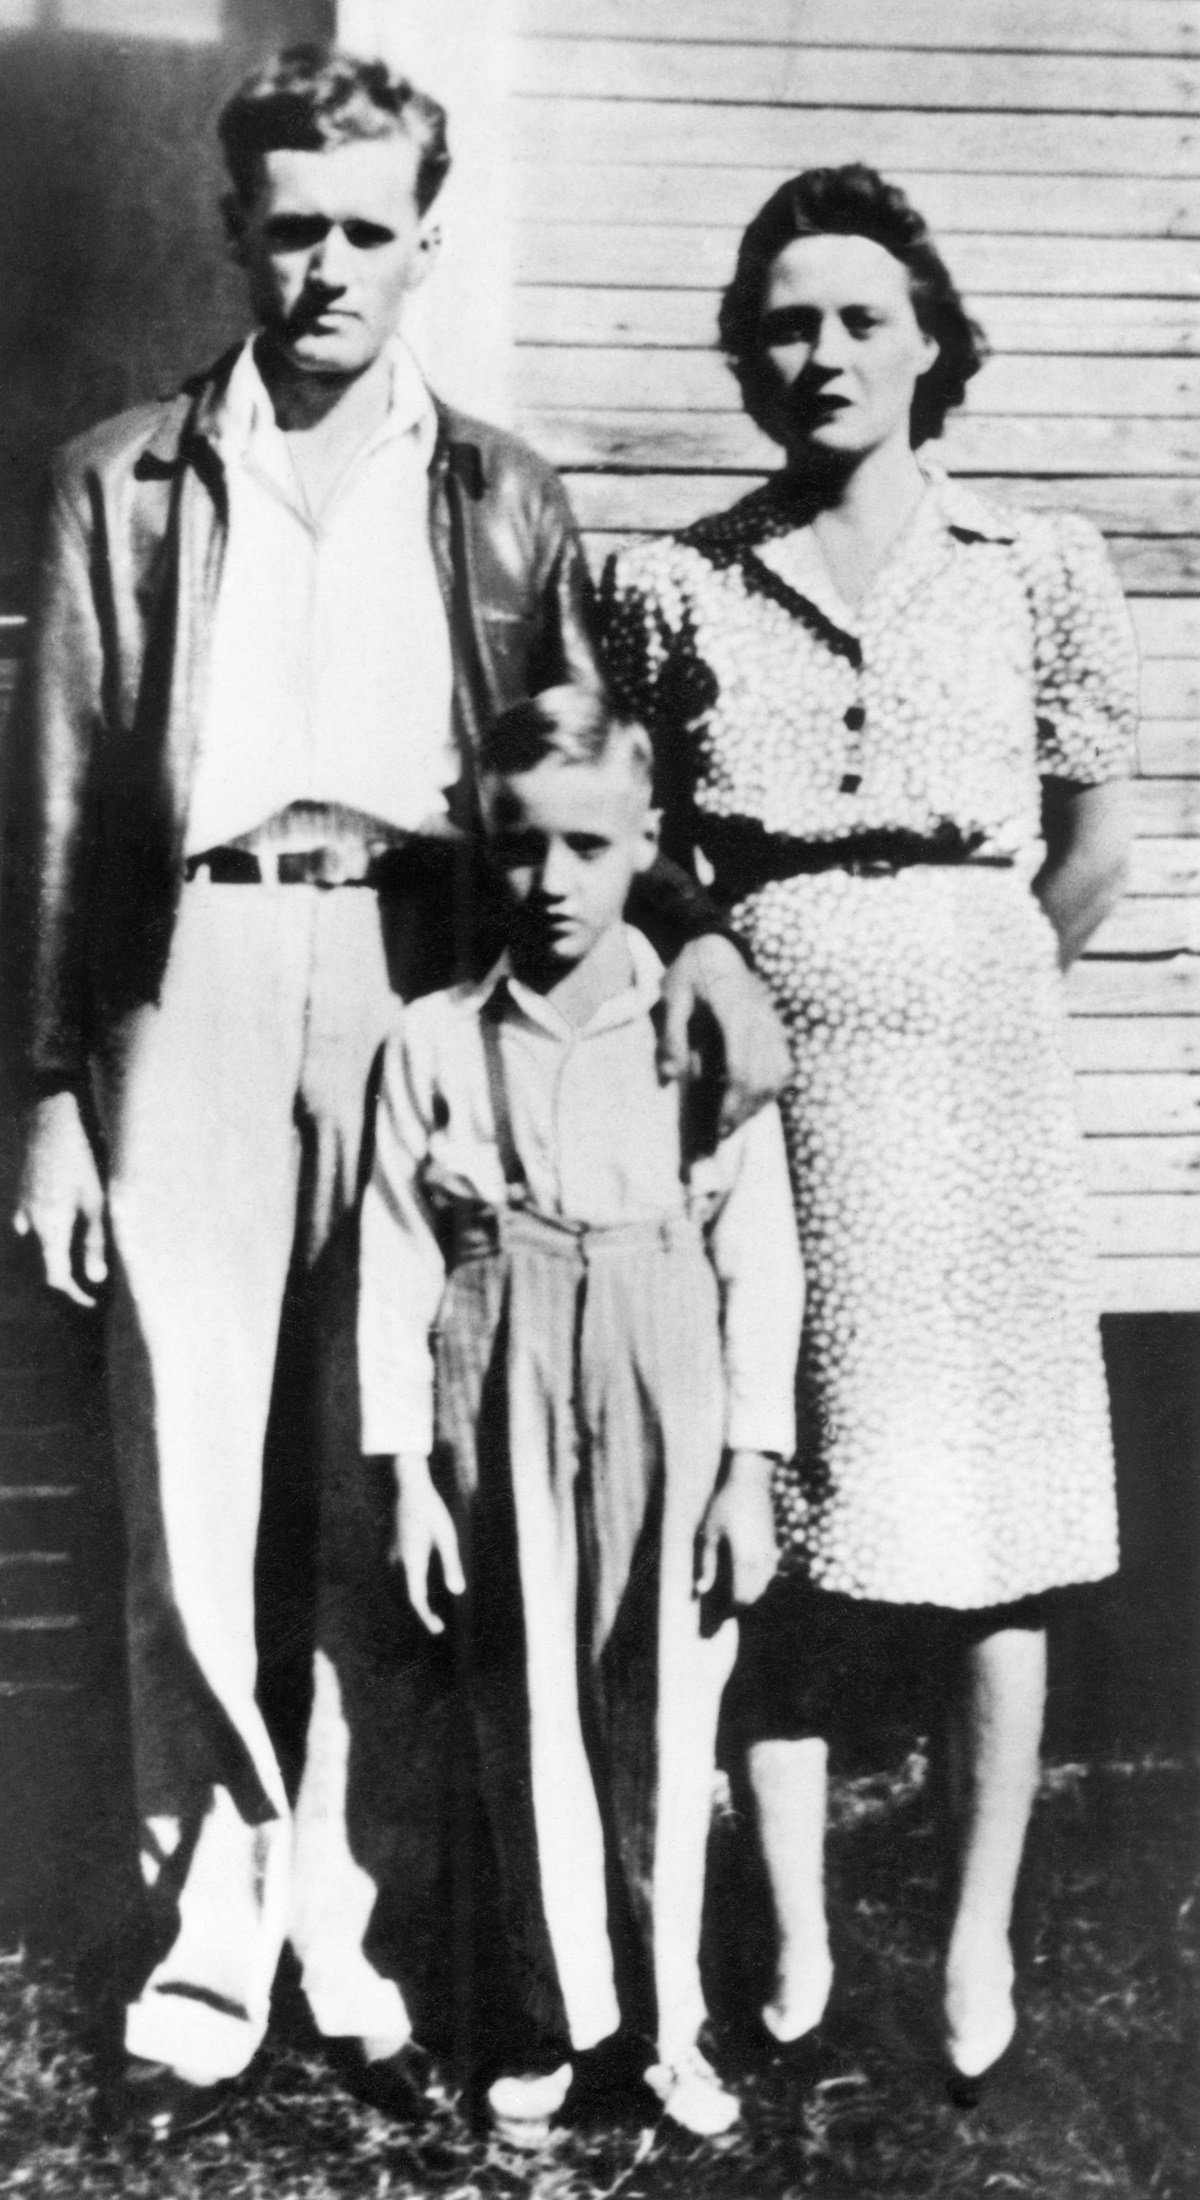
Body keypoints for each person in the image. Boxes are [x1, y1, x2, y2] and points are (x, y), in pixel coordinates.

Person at [0, 47, 789, 2137]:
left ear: (423, 239)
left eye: (368, 227)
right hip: (194, 971)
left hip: (424, 973)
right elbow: (67, 799)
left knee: (375, 1465)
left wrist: (688, 923)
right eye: (292, 226)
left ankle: (351, 1919)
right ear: (233, 233)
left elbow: (581, 754)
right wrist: (52, 1092)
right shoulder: (124, 476)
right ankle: (204, 1921)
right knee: (186, 1463)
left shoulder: (502, 486)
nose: (328, 264)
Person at [600, 164, 1138, 2098]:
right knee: (791, 1511)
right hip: (762, 1091)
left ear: (931, 345)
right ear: (747, 351)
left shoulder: (1036, 563)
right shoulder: (667, 581)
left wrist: (969, 977)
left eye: (859, 319)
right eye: (785, 320)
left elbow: (1088, 847)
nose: (819, 353)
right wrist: (718, 958)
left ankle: (981, 1930)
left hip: (979, 1092)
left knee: (993, 1527)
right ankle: (806, 1925)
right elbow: (627, 842)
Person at [357, 685, 804, 2139]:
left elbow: (761, 1256)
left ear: (645, 846)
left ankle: (673, 2024)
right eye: (517, 848)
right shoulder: (429, 1043)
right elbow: (393, 1269)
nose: (550, 884)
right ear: (481, 852)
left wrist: (750, 1465)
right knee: (526, 1700)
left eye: (588, 847)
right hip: (502, 1382)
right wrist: (409, 1478)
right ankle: (558, 2019)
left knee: (669, 1703)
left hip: (664, 1366)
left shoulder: (699, 1046)